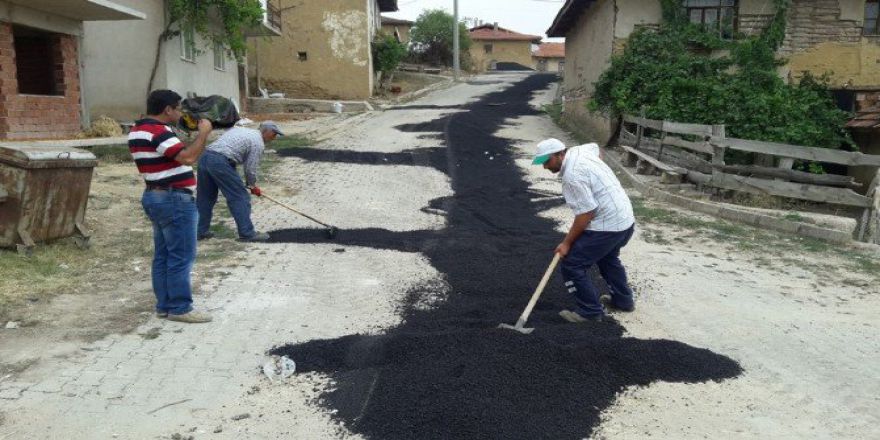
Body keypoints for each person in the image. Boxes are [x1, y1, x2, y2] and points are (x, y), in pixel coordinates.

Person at [129, 90, 213, 323]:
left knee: (164, 254)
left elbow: (177, 154)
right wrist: (204, 133)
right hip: (174, 198)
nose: (180, 113)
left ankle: (164, 305)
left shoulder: (138, 130)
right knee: (181, 256)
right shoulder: (158, 131)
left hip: (157, 196)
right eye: (178, 109)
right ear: (167, 109)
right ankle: (180, 308)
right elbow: (187, 157)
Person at [532, 138, 636, 323]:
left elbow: (586, 214)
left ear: (560, 154)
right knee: (608, 258)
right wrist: (597, 176)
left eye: (547, 161)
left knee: (572, 263)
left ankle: (590, 311)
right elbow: (597, 147)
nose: (545, 167)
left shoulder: (572, 177)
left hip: (607, 226)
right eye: (542, 162)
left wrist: (566, 243)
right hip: (625, 219)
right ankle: (623, 301)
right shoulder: (580, 151)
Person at [196, 121, 283, 242]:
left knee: (205, 197)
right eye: (274, 134)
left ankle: (199, 232)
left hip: (205, 157)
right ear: (267, 131)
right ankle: (247, 233)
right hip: (220, 161)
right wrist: (252, 185)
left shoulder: (243, 130)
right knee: (240, 197)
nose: (274, 138)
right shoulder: (257, 142)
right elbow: (250, 168)